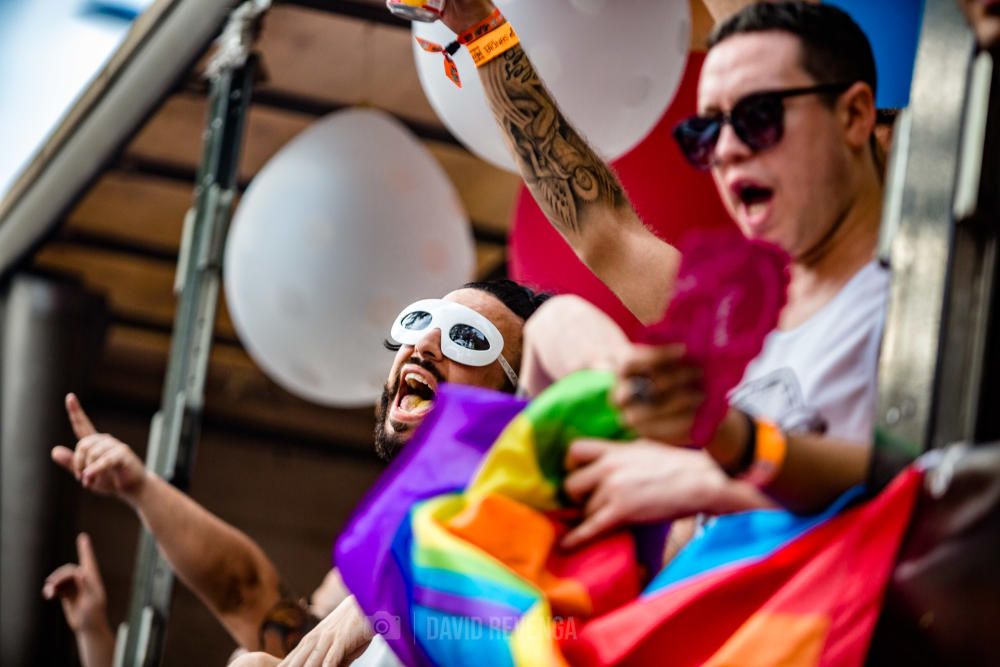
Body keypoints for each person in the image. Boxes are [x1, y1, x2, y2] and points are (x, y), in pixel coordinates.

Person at [431, 0, 886, 547]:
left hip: (831, 618)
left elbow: (933, 481)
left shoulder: (925, 304)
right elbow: (602, 226)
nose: (728, 150)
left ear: (856, 117)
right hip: (704, 617)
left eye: (759, 117)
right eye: (706, 132)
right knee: (558, 327)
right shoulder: (728, 316)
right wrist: (483, 32)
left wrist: (722, 459)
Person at [46, 280, 548, 665]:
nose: (424, 345)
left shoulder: (541, 543)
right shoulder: (373, 563)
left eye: (467, 338)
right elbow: (251, 600)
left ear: (520, 401)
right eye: (422, 322)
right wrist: (139, 486)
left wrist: (391, 598)